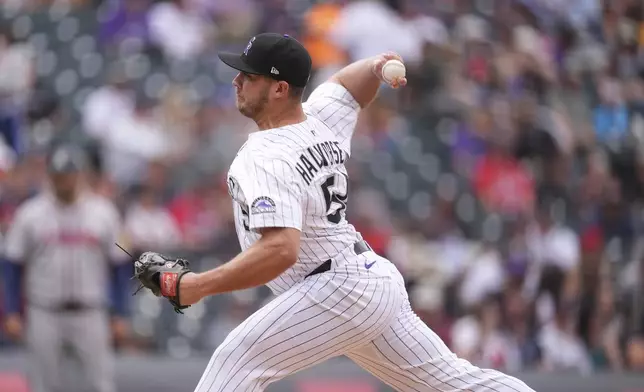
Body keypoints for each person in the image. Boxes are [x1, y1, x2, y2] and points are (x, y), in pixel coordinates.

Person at [142, 33, 536, 391]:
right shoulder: (319, 117)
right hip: (367, 281)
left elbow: (281, 250)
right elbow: (351, 86)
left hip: (336, 288)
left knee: (236, 361)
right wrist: (378, 66)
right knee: (454, 384)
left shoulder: (264, 154)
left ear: (279, 88)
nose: (236, 81)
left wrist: (196, 285)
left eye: (249, 75)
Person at [2, 144, 131, 392]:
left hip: (90, 311)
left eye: (69, 174)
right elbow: (12, 265)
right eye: (59, 175)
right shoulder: (30, 214)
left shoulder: (103, 213)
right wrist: (12, 312)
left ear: (80, 175)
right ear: (50, 176)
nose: (65, 181)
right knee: (43, 385)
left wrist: (121, 312)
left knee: (100, 384)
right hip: (44, 311)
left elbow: (120, 265)